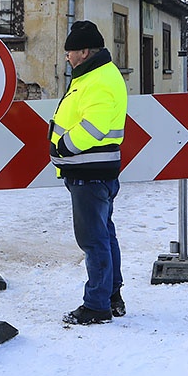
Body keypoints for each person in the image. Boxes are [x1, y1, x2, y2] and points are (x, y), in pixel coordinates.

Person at [49, 20, 128, 325]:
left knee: (93, 241)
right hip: (95, 171)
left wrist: (63, 148)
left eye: (70, 51)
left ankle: (96, 305)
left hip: (89, 172)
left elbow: (92, 128)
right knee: (105, 236)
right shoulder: (95, 75)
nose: (66, 57)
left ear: (84, 51)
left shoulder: (98, 80)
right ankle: (111, 296)